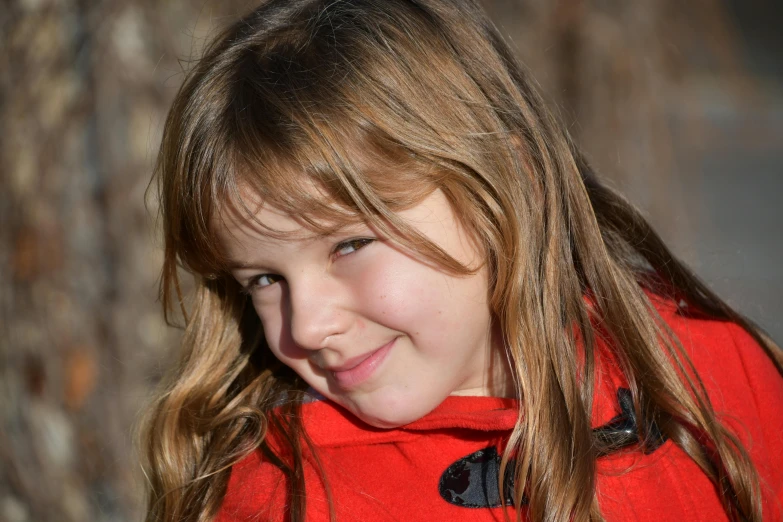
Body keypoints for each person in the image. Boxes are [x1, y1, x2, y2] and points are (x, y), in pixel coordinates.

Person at [140, 0, 783, 521]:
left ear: (508, 187)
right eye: (263, 279)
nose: (304, 328)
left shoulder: (706, 376)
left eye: (349, 244)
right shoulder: (286, 497)